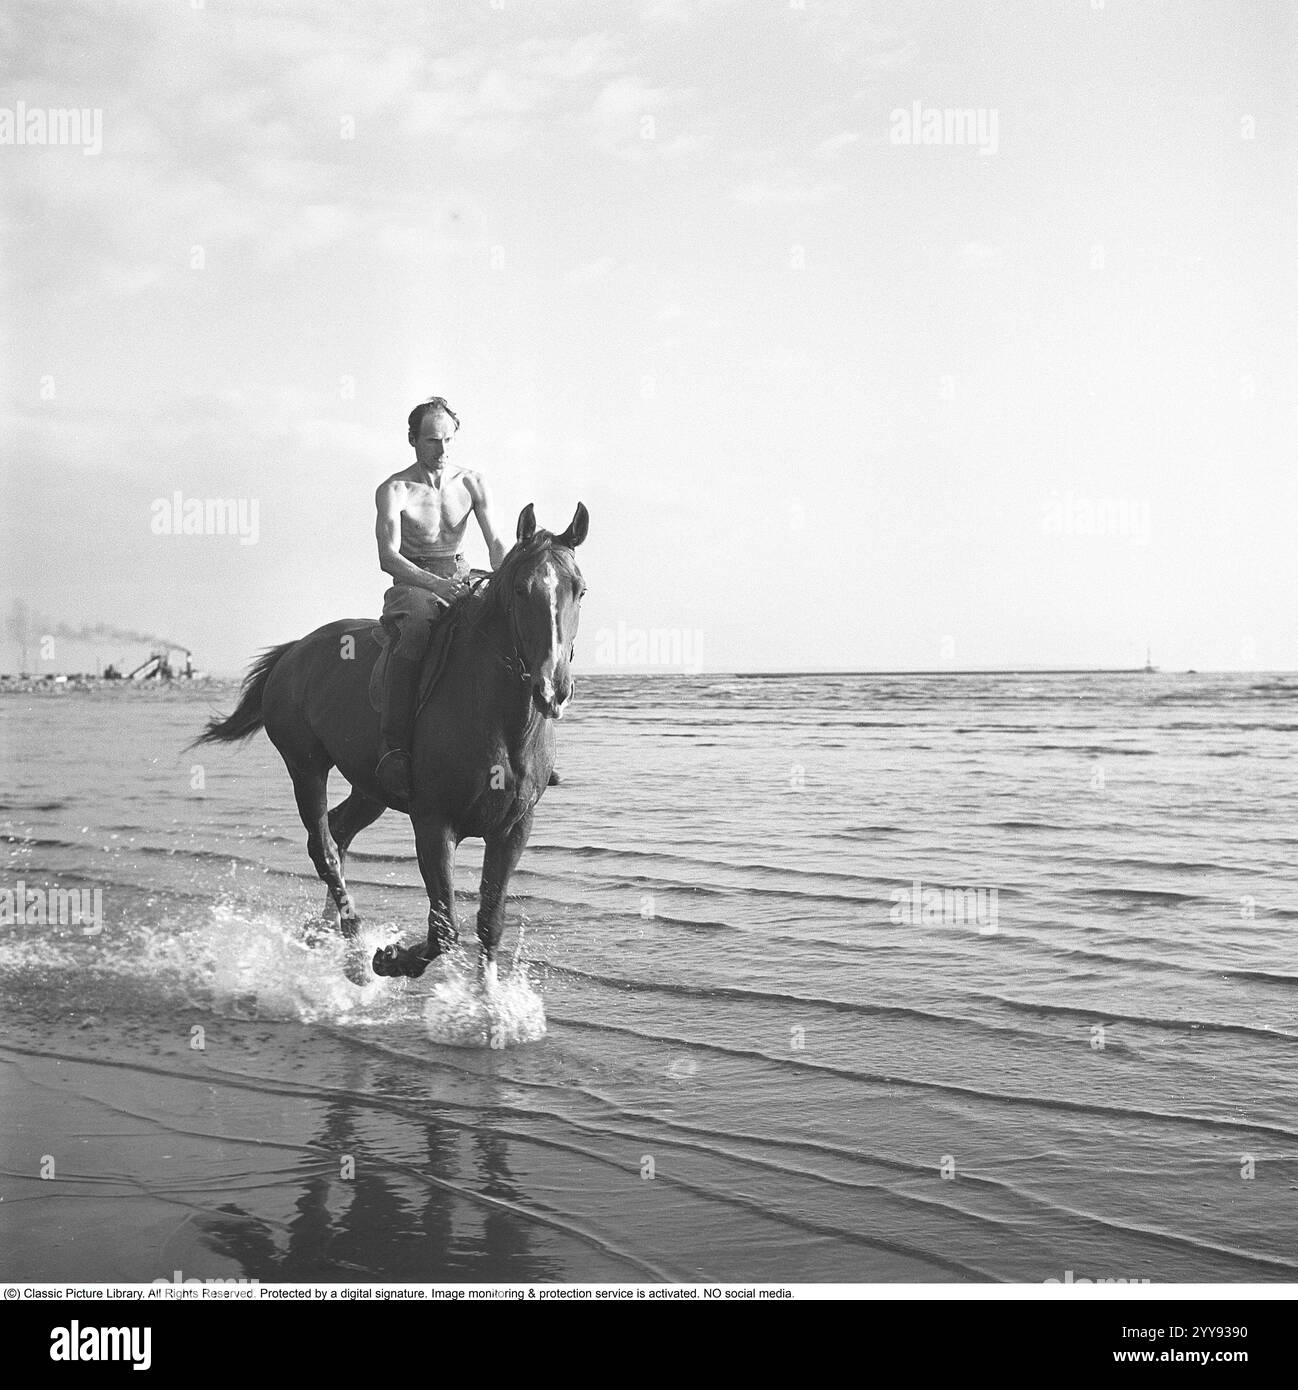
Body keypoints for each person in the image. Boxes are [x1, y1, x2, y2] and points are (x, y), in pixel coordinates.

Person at [373, 396, 507, 801]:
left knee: (511, 627)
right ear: (413, 440)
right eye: (432, 441)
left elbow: (496, 541)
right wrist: (434, 586)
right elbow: (387, 557)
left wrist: (504, 578)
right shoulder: (394, 489)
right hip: (412, 580)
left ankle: (522, 746)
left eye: (448, 440)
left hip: (462, 572)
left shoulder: (471, 482)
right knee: (415, 632)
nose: (442, 450)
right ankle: (395, 747)